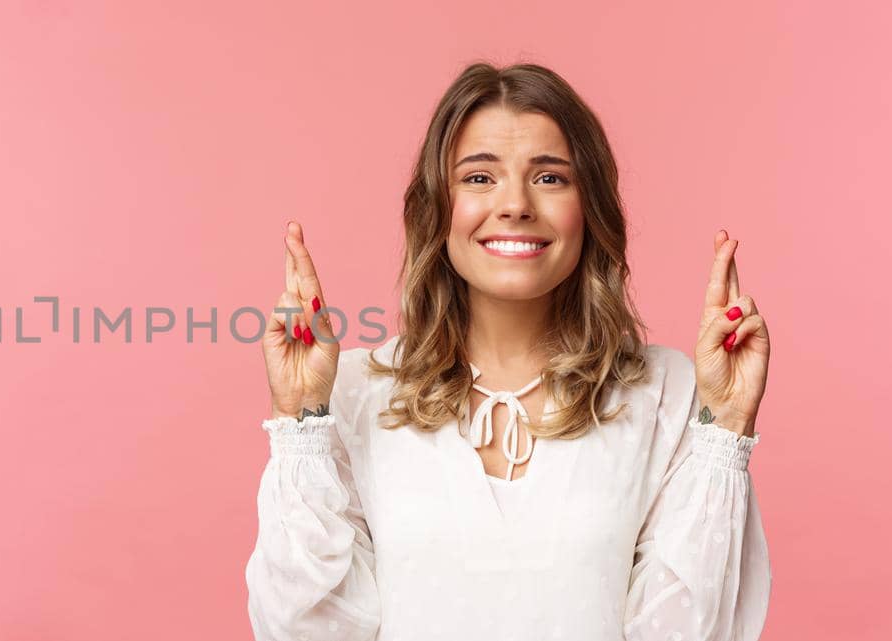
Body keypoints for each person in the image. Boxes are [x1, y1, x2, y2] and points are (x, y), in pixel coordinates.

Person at [245, 63, 772, 641]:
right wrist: (301, 416)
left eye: (549, 178)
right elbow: (308, 630)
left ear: (588, 208)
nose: (515, 204)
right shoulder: (349, 392)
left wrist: (726, 423)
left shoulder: (669, 392)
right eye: (478, 178)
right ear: (437, 208)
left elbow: (688, 631)